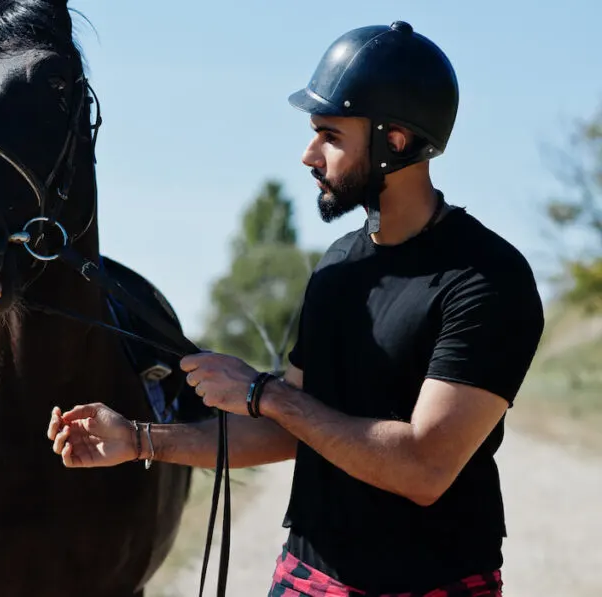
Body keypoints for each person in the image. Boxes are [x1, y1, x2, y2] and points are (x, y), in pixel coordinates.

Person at [45, 20, 545, 597]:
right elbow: (291, 432)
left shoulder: (486, 277)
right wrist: (138, 439)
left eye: (330, 135)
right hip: (306, 579)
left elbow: (424, 468)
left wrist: (265, 392)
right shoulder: (338, 267)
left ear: (397, 140)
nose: (309, 154)